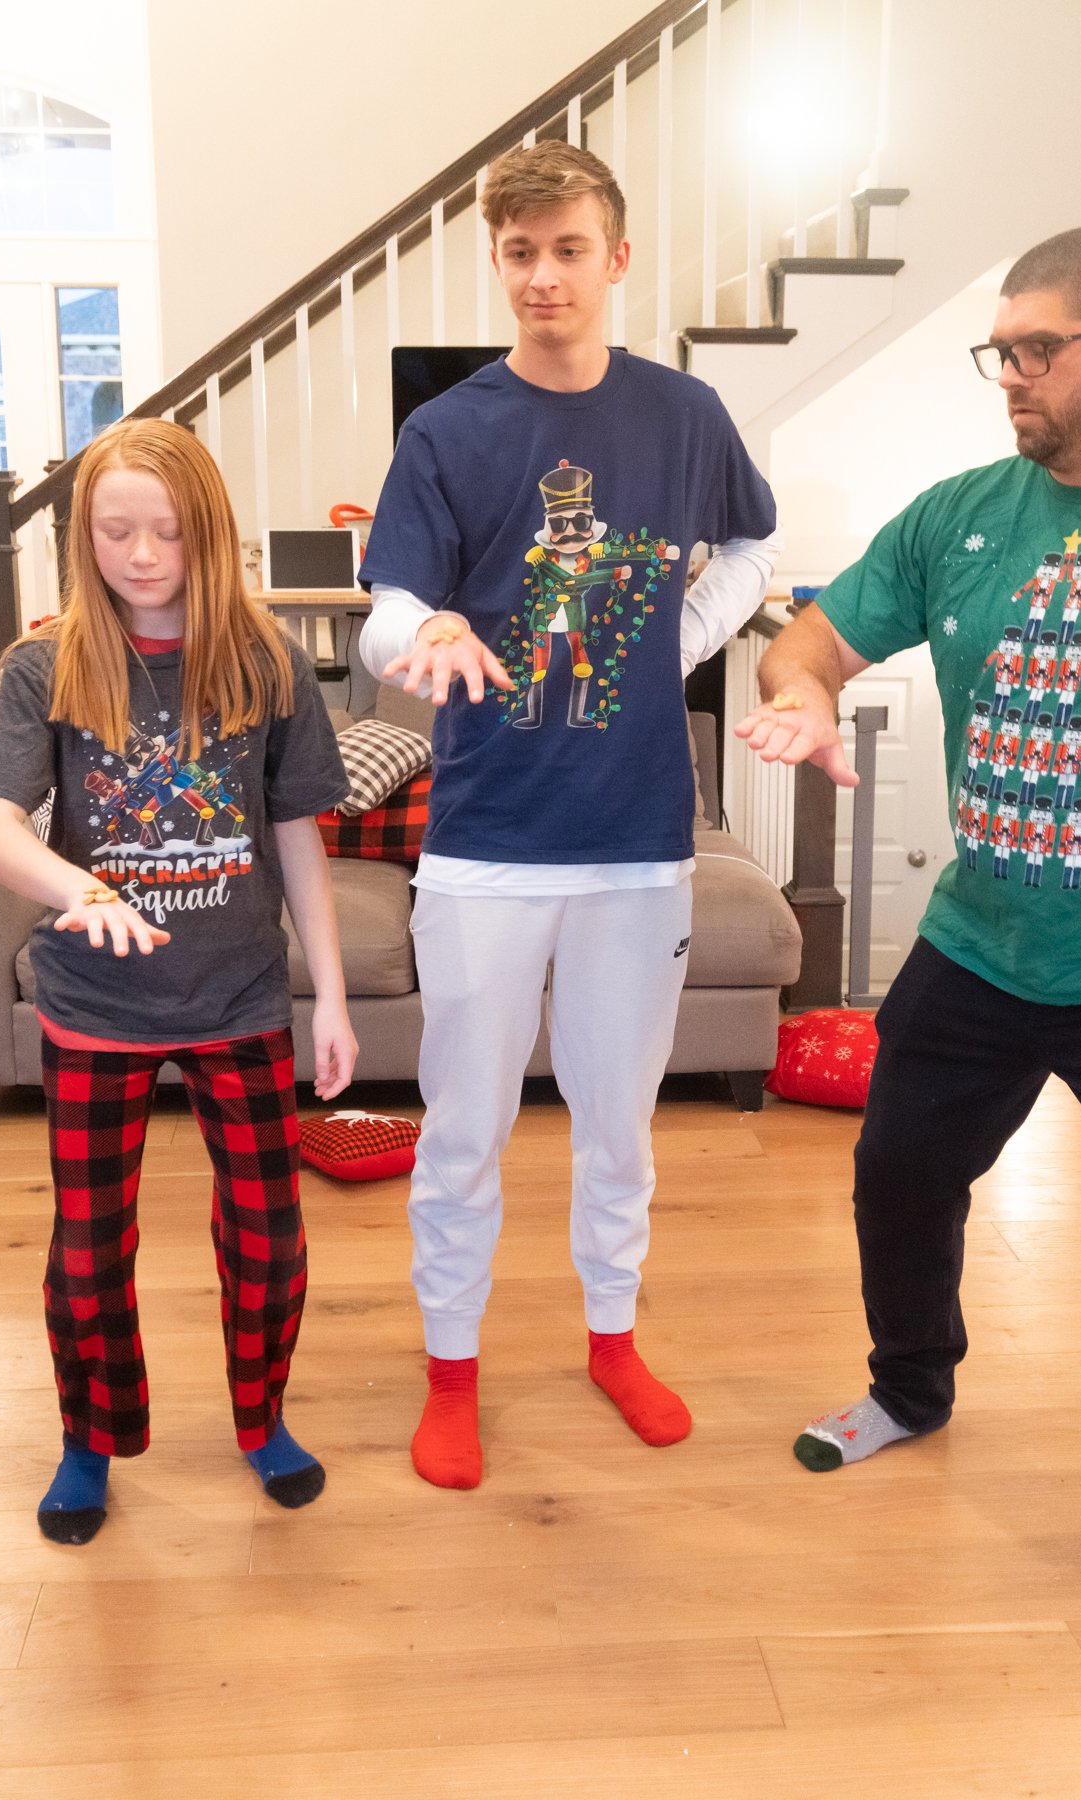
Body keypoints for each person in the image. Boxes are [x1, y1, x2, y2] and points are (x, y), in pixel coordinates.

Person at [358, 140, 780, 1489]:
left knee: (619, 1122)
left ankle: (612, 1337)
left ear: (616, 258)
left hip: (640, 843)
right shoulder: (451, 429)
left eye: (568, 249)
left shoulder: (686, 416)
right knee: (465, 1127)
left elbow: (753, 546)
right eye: (520, 252)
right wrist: (415, 642)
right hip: (483, 847)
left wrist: (677, 644)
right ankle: (452, 1371)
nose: (544, 276)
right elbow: (387, 610)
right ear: (500, 260)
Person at [735, 224, 1081, 1471]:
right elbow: (809, 638)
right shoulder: (958, 517)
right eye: (1000, 348)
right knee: (900, 1180)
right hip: (977, 945)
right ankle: (911, 1389)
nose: (1011, 372)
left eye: (1038, 348)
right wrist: (802, 694)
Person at [0, 419, 358, 1541]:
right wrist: (79, 893)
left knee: (271, 1238)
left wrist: (327, 996)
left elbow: (295, 839)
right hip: (96, 1009)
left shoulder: (268, 661)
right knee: (88, 1253)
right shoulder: (48, 664)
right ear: (84, 535)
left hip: (239, 1001)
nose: (141, 555)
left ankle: (259, 1419)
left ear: (208, 535)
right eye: (116, 530)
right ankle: (90, 1439)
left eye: (168, 532)